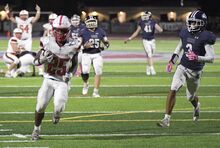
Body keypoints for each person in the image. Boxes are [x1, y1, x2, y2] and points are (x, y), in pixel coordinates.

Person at [157, 10, 216, 127]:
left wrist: (197, 57)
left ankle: (197, 105)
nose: (192, 25)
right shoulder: (185, 32)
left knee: (190, 97)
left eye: (195, 22)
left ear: (202, 24)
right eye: (191, 22)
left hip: (195, 72)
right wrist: (172, 61)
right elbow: (179, 47)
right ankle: (166, 119)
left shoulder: (205, 37)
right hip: (182, 66)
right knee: (173, 88)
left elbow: (211, 58)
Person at [31, 15, 80, 140]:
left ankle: (57, 114)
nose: (60, 33)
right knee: (40, 106)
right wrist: (42, 59)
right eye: (58, 30)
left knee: (58, 107)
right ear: (53, 30)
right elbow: (35, 62)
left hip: (62, 81)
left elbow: (75, 63)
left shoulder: (74, 45)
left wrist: (70, 74)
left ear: (68, 31)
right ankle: (36, 129)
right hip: (48, 79)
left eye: (63, 30)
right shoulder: (47, 42)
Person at [5, 4, 41, 74]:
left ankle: (25, 68)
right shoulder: (18, 20)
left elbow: (36, 18)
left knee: (27, 55)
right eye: (22, 15)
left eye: (25, 15)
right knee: (18, 53)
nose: (24, 16)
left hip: (27, 40)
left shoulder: (30, 20)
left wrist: (38, 11)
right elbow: (10, 18)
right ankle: (16, 66)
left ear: (27, 15)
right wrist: (7, 11)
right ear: (20, 15)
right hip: (19, 40)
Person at [79, 16, 110, 97]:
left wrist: (104, 47)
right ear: (86, 22)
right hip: (86, 54)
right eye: (90, 21)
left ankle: (95, 92)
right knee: (85, 72)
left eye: (93, 21)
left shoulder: (100, 31)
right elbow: (78, 45)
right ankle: (86, 83)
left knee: (98, 72)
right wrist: (84, 46)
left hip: (97, 54)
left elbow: (106, 43)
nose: (92, 23)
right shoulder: (82, 31)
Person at [124, 11, 163, 75]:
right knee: (149, 55)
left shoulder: (153, 22)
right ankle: (152, 69)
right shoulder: (142, 22)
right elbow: (137, 32)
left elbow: (160, 29)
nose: (144, 16)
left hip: (152, 40)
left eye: (146, 15)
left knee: (150, 56)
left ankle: (148, 67)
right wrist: (129, 38)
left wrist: (160, 29)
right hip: (145, 41)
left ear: (149, 16)